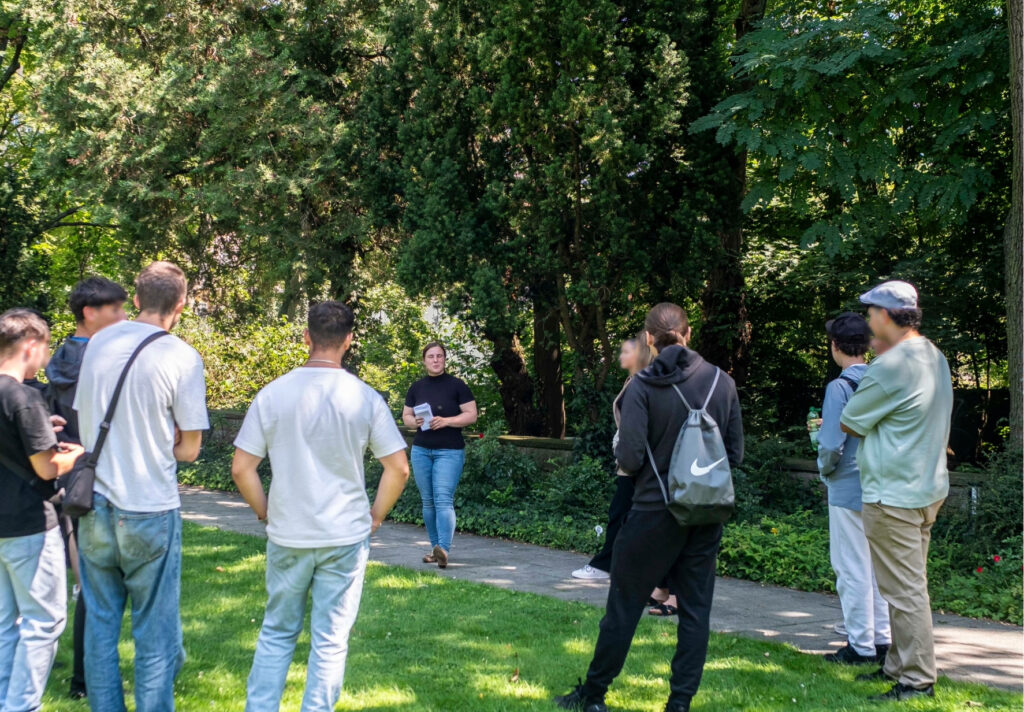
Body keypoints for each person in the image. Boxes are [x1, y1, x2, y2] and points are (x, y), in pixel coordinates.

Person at [555, 303, 744, 712]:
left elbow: (630, 456)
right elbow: (734, 454)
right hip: (705, 511)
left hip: (653, 511)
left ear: (648, 340)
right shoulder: (722, 382)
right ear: (688, 334)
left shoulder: (642, 385)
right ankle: (679, 704)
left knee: (623, 607)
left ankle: (593, 695)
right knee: (695, 612)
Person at [232, 301, 410, 712]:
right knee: (330, 641)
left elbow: (242, 468)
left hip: (289, 532)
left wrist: (264, 511)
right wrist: (376, 516)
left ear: (306, 337)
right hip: (344, 534)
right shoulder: (365, 397)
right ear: (349, 340)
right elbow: (398, 468)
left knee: (277, 632)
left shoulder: (273, 394)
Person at [74, 261, 209, 712]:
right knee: (154, 633)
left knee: (100, 626)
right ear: (181, 304)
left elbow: (86, 417)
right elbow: (189, 450)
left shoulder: (99, 342)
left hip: (95, 501)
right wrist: (166, 434)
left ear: (135, 299)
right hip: (149, 504)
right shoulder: (182, 357)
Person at [840, 281, 953, 702]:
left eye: (870, 313)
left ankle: (917, 680)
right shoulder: (933, 355)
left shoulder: (890, 366)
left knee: (905, 591)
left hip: (892, 494)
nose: (868, 321)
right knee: (902, 584)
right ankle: (896, 665)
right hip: (927, 488)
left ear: (885, 315)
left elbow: (850, 421)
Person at [0, 309, 84, 712]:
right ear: (30, 345)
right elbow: (48, 467)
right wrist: (77, 454)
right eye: (45, 348)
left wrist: (41, 429)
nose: (47, 357)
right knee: (43, 621)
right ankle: (21, 706)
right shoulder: (24, 396)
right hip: (29, 522)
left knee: (6, 623)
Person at [48, 276, 128, 700]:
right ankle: (85, 680)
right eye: (116, 309)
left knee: (91, 583)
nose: (124, 317)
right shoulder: (98, 360)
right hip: (98, 475)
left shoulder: (62, 356)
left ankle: (83, 678)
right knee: (100, 585)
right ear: (89, 313)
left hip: (69, 477)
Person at [817, 312, 891, 665]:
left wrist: (824, 470)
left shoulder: (840, 387)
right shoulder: (880, 381)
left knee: (851, 566)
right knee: (877, 568)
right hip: (881, 484)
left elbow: (832, 444)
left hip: (847, 485)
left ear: (835, 345)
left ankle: (860, 645)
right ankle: (882, 639)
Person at [572, 336, 654, 581]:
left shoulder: (644, 382)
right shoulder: (636, 381)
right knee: (630, 514)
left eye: (626, 352)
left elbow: (638, 427)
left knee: (622, 513)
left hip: (636, 461)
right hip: (634, 458)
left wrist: (629, 460)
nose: (621, 356)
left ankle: (605, 565)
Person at [401, 342, 477, 568]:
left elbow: (471, 415)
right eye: (431, 356)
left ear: (444, 359)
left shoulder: (457, 385)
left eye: (439, 356)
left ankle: (443, 549)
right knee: (428, 502)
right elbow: (406, 416)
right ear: (424, 360)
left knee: (443, 499)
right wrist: (414, 422)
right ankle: (435, 549)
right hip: (421, 450)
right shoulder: (416, 387)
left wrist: (447, 421)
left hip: (449, 451)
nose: (435, 360)